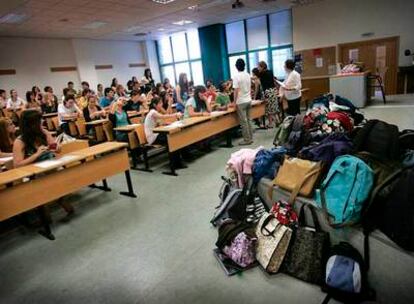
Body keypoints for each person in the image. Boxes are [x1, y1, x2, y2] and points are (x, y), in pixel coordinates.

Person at [13, 110, 74, 236]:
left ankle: (61, 199)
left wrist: (56, 147)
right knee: (42, 186)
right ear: (30, 124)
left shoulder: (43, 132)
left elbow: (57, 148)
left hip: (50, 166)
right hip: (33, 173)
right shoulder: (19, 141)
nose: (42, 122)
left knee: (63, 176)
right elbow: (17, 165)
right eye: (38, 121)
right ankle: (46, 216)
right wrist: (37, 154)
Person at [233, 58, 254, 145]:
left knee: (243, 122)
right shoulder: (248, 75)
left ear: (236, 67)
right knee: (249, 120)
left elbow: (236, 90)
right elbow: (250, 87)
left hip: (241, 101)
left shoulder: (236, 76)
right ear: (244, 66)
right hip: (248, 99)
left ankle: (247, 140)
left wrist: (234, 102)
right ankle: (251, 138)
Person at [258, 61, 278, 128]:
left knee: (268, 109)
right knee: (273, 107)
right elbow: (273, 81)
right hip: (273, 90)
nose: (258, 68)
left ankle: (270, 123)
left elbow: (263, 85)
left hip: (267, 92)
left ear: (262, 67)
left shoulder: (261, 74)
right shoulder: (270, 71)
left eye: (259, 66)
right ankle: (277, 120)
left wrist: (264, 96)